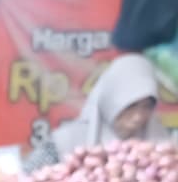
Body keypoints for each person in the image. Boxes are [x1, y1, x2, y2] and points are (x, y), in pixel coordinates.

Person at [22, 54, 170, 174]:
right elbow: (25, 181)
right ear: (110, 102)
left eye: (146, 107)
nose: (138, 117)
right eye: (130, 106)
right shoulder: (66, 141)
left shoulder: (162, 146)